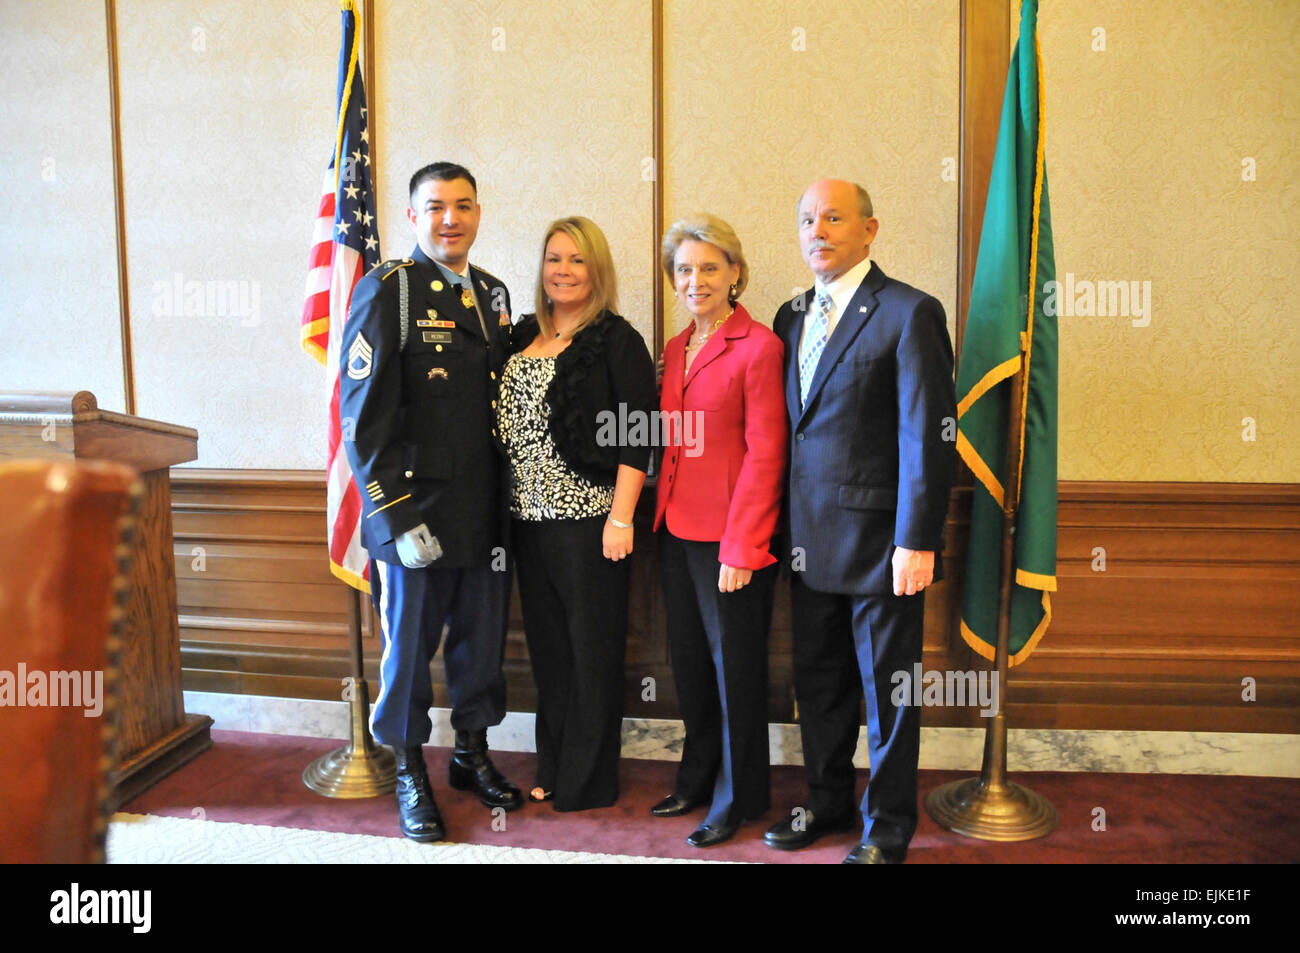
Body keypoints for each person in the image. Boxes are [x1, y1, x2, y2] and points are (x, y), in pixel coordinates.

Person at [766, 179, 956, 864]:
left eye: (834, 218)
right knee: (817, 684)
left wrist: (918, 538)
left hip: (883, 546)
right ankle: (825, 802)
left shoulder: (909, 312)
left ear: (870, 230)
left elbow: (927, 435)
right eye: (806, 218)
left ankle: (888, 829)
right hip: (806, 544)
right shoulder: (790, 317)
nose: (817, 230)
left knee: (889, 693)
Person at [339, 161, 523, 842]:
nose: (452, 218)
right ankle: (411, 766)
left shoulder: (494, 294)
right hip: (415, 511)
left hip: (483, 510)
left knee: (481, 645)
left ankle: (471, 753)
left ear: (479, 213)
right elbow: (363, 420)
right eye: (437, 206)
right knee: (409, 651)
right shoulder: (391, 289)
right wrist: (394, 516)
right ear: (414, 217)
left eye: (464, 205)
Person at [497, 216, 656, 811]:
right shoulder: (517, 339)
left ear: (597, 270)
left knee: (592, 652)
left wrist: (621, 520)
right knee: (551, 655)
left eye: (577, 261)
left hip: (591, 524)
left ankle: (588, 780)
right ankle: (554, 764)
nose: (562, 271)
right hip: (526, 526)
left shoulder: (617, 340)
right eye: (553, 259)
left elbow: (640, 436)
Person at [650, 214, 787, 847]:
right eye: (684, 269)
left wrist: (744, 544)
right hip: (676, 530)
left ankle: (738, 798)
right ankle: (698, 776)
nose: (695, 279)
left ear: (735, 273)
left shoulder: (759, 346)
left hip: (732, 541)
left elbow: (766, 454)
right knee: (693, 669)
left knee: (734, 671)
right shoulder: (676, 348)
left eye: (709, 267)